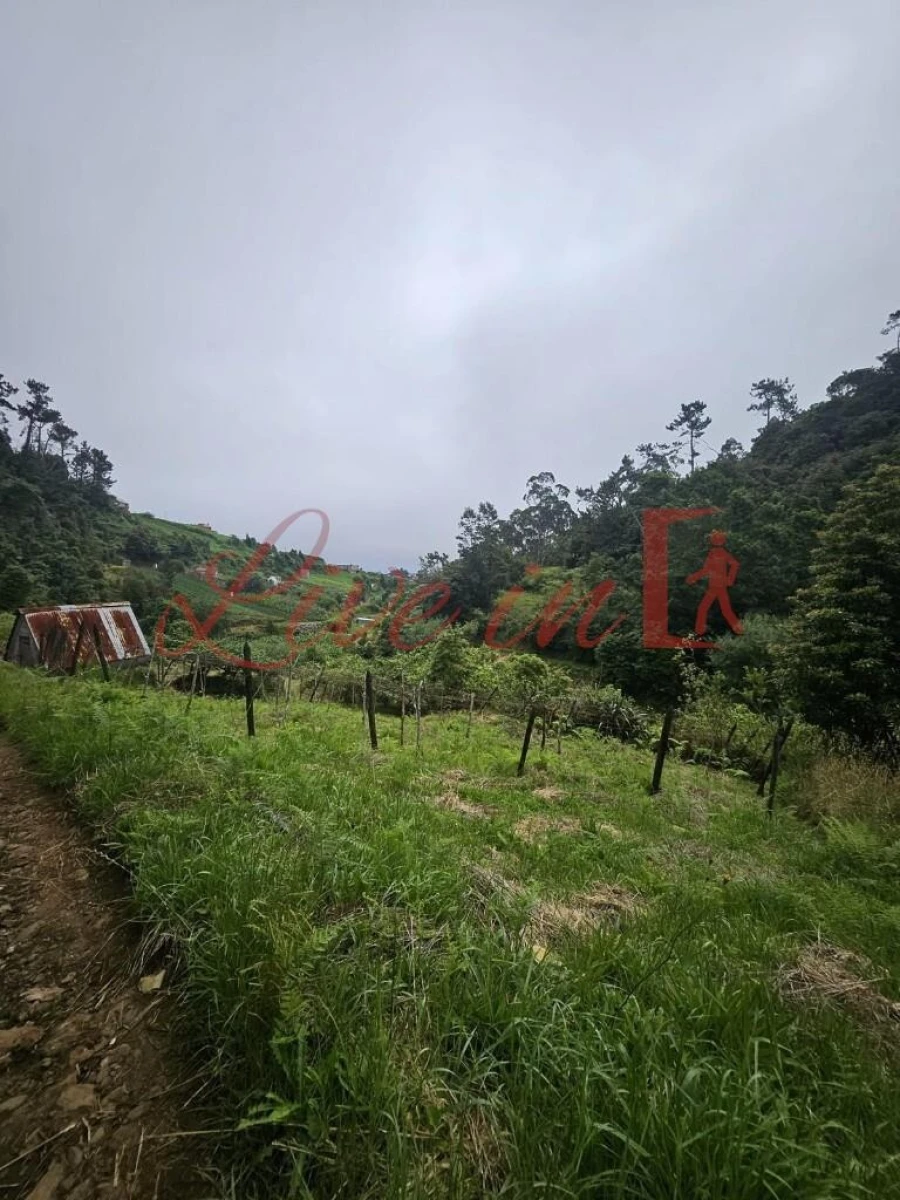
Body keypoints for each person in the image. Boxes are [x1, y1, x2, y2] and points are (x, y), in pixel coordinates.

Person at [685, 530, 743, 636]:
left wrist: (730, 579)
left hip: (717, 586)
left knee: (705, 608)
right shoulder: (715, 553)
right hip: (716, 586)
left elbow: (734, 564)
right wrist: (694, 577)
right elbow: (706, 570)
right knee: (724, 610)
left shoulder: (720, 553)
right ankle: (740, 631)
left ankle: (699, 631)